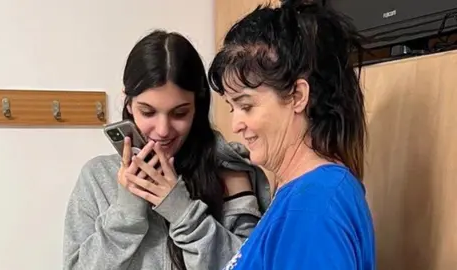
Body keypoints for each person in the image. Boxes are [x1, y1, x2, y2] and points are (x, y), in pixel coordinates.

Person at [63, 30, 270, 270]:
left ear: (197, 108)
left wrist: (183, 212)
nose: (162, 130)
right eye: (148, 112)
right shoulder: (97, 177)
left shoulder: (229, 170)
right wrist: (126, 212)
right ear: (128, 104)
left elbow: (253, 264)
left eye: (179, 113)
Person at [208, 0, 376, 269]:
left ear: (298, 96)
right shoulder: (301, 195)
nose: (236, 124)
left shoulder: (314, 205)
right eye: (232, 107)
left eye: (246, 106)